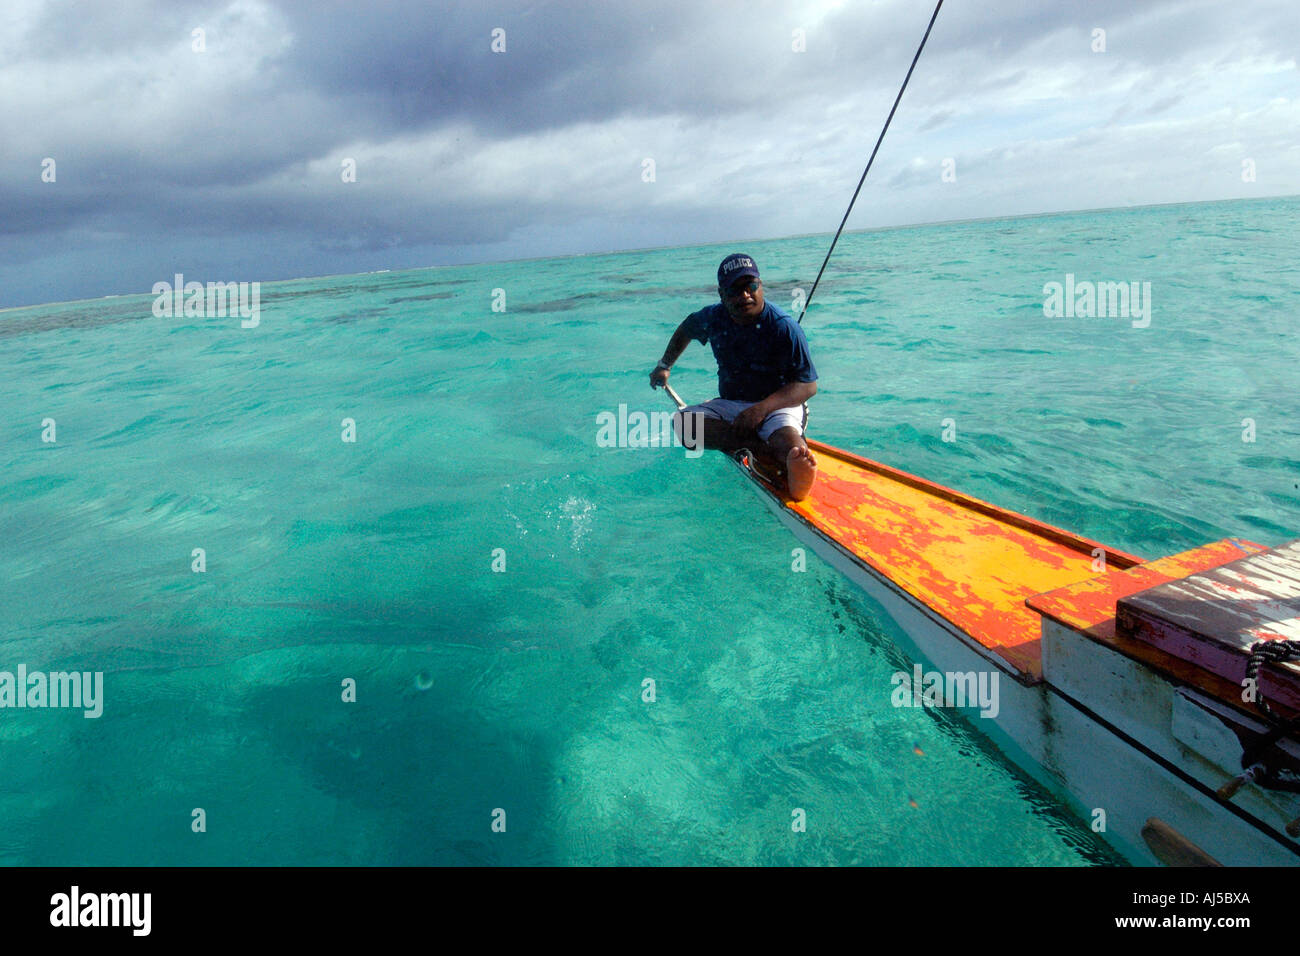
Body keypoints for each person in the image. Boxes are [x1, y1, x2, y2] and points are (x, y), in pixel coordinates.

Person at [650, 253, 819, 500]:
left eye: (751, 286)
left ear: (761, 286)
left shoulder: (784, 326)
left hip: (778, 405)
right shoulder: (712, 318)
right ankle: (760, 449)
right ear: (722, 294)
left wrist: (760, 410)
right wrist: (665, 365)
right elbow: (686, 328)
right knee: (684, 425)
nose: (745, 295)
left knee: (788, 442)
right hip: (731, 405)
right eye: (735, 290)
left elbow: (808, 385)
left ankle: (795, 462)